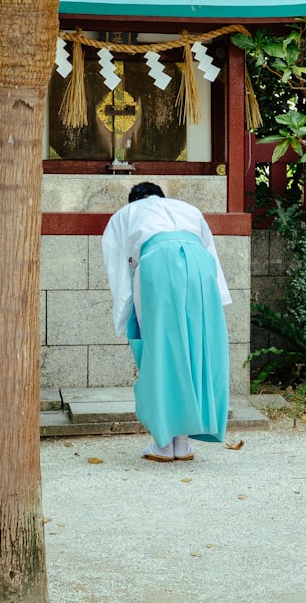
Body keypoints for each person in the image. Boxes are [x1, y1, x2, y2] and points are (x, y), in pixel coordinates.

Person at [101, 182, 231, 462]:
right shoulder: (188, 209)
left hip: (158, 264)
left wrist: (123, 314)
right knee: (193, 349)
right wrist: (215, 302)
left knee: (161, 351)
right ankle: (181, 444)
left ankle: (163, 444)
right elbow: (210, 251)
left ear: (133, 201)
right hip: (200, 268)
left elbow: (118, 269)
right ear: (162, 197)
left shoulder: (126, 214)